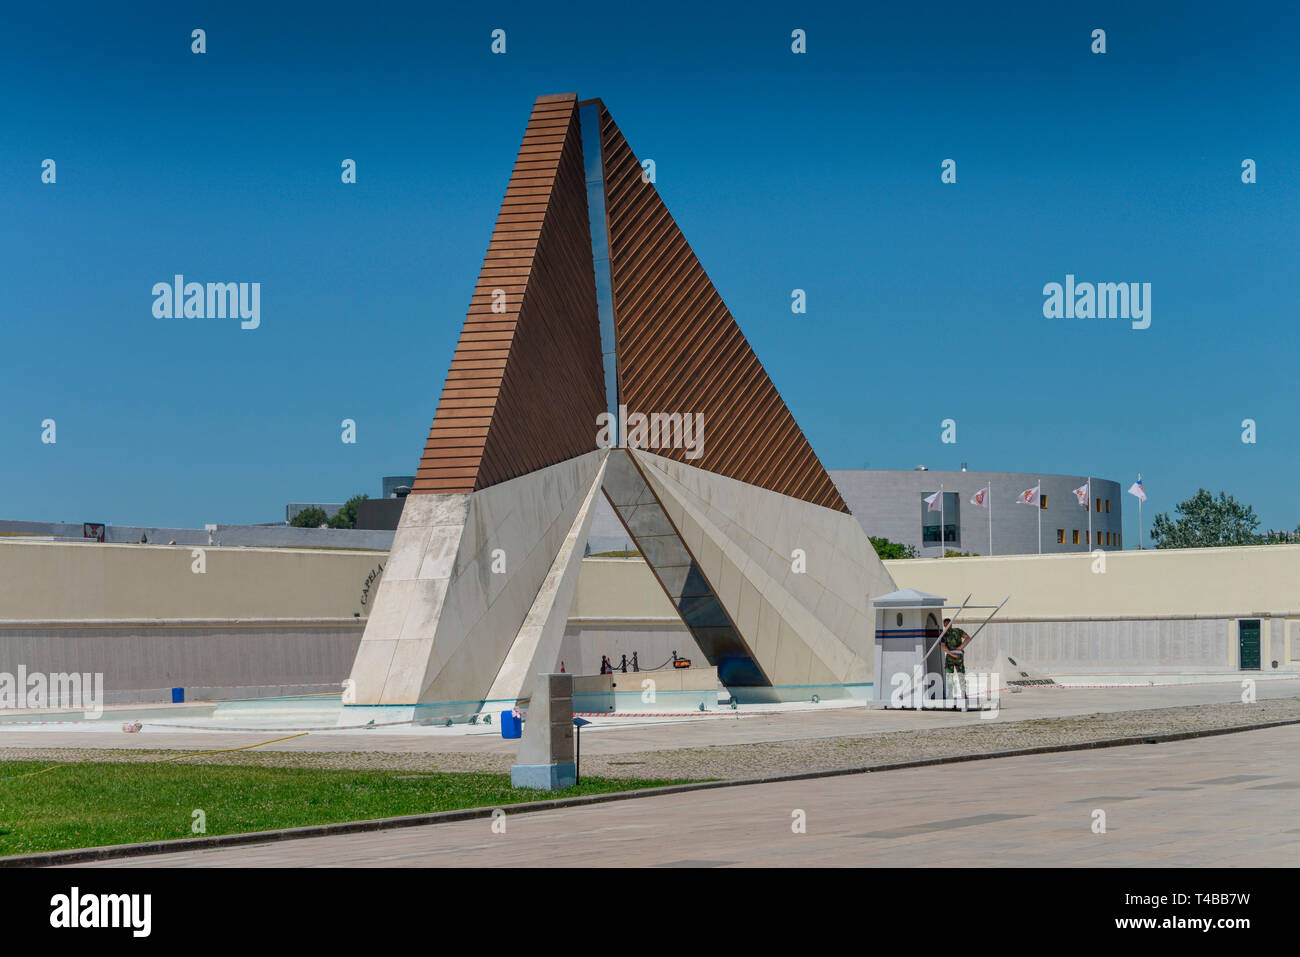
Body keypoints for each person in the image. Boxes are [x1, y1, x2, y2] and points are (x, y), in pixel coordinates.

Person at [941, 617, 972, 709]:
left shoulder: (946, 634)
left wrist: (958, 649)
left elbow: (944, 647)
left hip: (953, 657)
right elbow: (967, 638)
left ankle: (955, 695)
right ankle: (958, 694)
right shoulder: (954, 632)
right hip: (956, 656)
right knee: (955, 676)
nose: (947, 626)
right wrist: (960, 648)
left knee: (954, 676)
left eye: (947, 624)